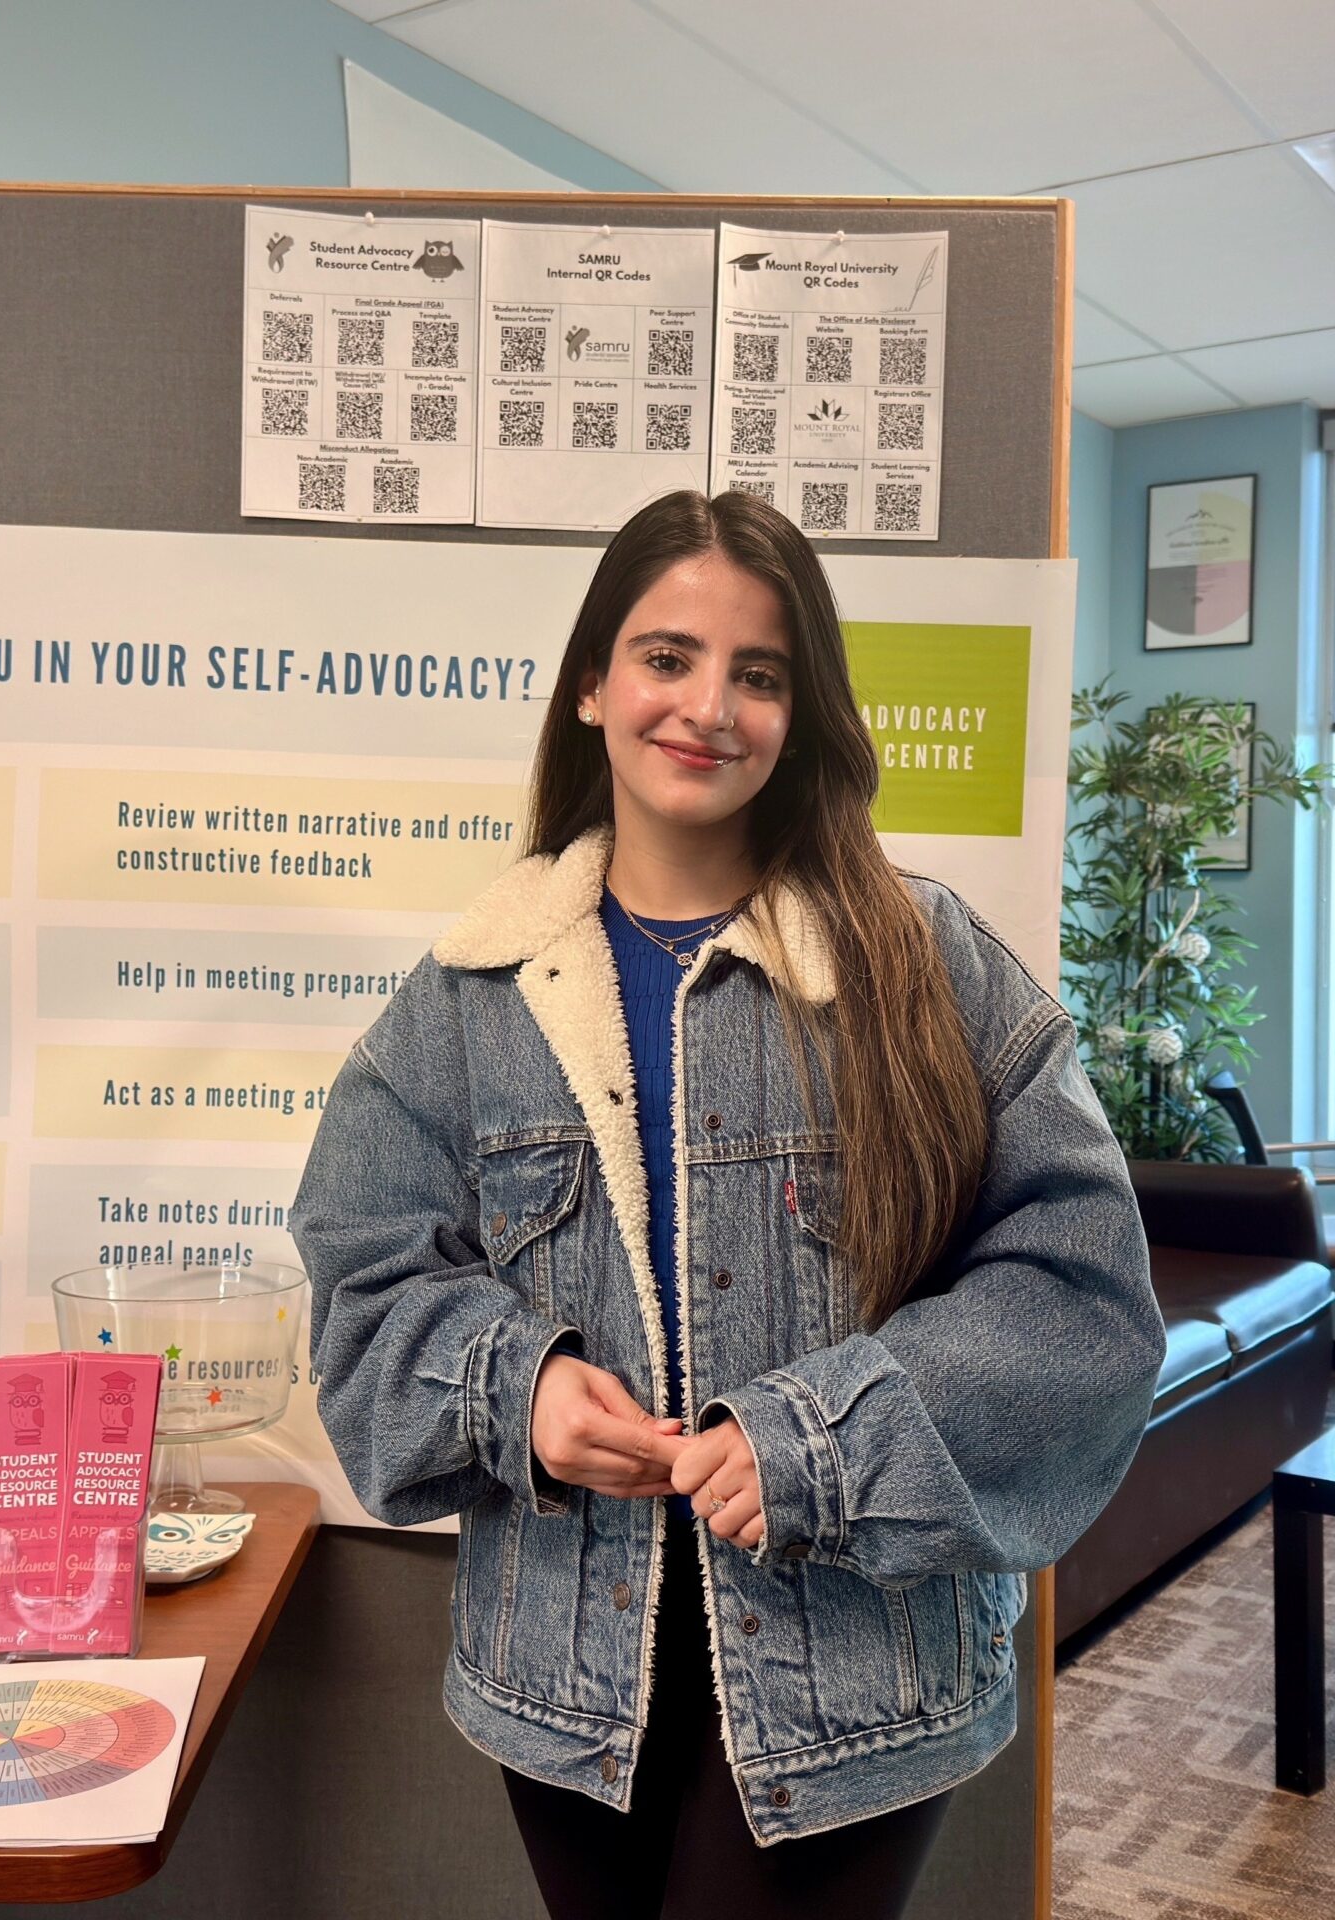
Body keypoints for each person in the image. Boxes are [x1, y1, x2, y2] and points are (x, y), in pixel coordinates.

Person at [291, 489, 1164, 1920]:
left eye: (759, 674)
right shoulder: (462, 1004)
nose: (708, 706)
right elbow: (364, 1283)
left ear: (803, 709)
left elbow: (1082, 1301)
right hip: (563, 1688)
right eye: (667, 657)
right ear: (591, 684)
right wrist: (518, 1391)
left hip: (859, 1683)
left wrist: (826, 1440)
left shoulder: (926, 966)